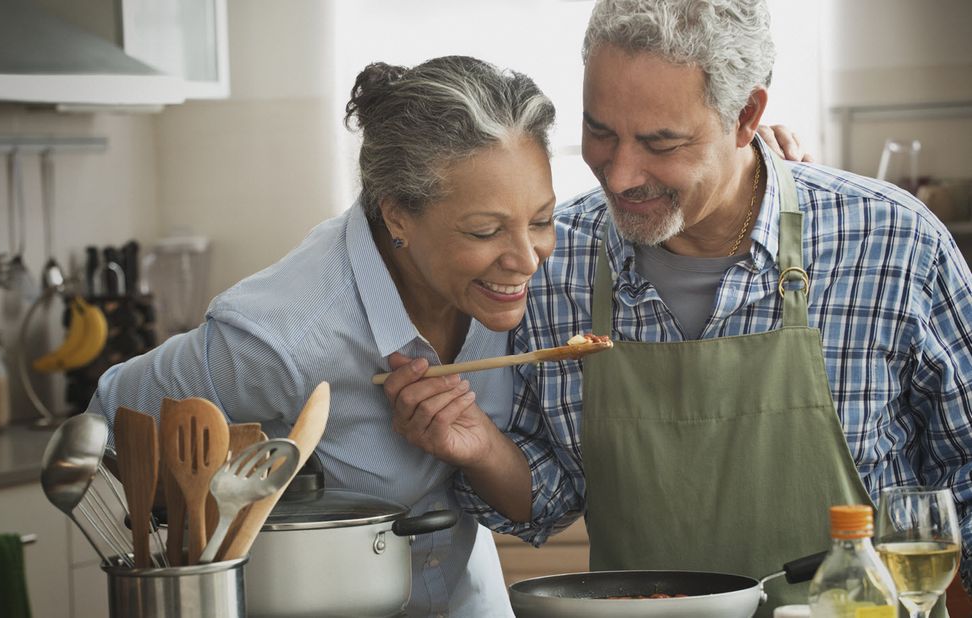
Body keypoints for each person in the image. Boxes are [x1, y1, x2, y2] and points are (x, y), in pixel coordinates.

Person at [379, 1, 972, 615]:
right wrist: (478, 446)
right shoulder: (552, 262)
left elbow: (968, 473)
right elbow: (553, 498)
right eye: (600, 131)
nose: (621, 174)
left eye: (662, 142)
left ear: (745, 116)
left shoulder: (892, 241)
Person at [88, 54, 558, 617]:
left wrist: (481, 444)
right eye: (485, 231)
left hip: (466, 600)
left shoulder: (513, 293)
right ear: (398, 217)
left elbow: (535, 505)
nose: (527, 259)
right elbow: (110, 417)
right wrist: (213, 520)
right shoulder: (281, 334)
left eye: (541, 220)